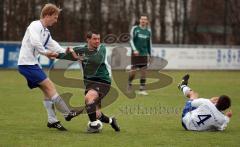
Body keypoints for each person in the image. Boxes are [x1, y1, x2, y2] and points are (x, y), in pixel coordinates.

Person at [18, 3, 78, 131]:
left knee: (47, 91)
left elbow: (53, 45)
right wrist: (45, 52)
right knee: (50, 86)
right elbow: (35, 42)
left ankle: (52, 121)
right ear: (47, 15)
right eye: (55, 17)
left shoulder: (46, 31)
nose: (56, 21)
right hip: (26, 64)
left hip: (33, 64)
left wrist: (65, 52)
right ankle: (67, 112)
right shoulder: (35, 25)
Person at [57, 31, 120, 133]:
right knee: (96, 113)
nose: (97, 41)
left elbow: (97, 60)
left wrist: (76, 55)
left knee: (89, 98)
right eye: (95, 39)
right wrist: (51, 54)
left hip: (103, 81)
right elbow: (65, 56)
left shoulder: (102, 48)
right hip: (89, 83)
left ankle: (94, 126)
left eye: (98, 39)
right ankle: (112, 121)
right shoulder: (81, 49)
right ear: (88, 39)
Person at [127, 14, 152, 95]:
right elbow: (131, 40)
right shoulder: (135, 29)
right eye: (142, 19)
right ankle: (129, 83)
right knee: (133, 72)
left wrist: (150, 55)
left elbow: (149, 44)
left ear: (147, 21)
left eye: (145, 19)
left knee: (144, 71)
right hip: (136, 54)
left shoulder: (148, 31)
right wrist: (134, 50)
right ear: (140, 20)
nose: (143, 21)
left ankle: (142, 89)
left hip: (144, 54)